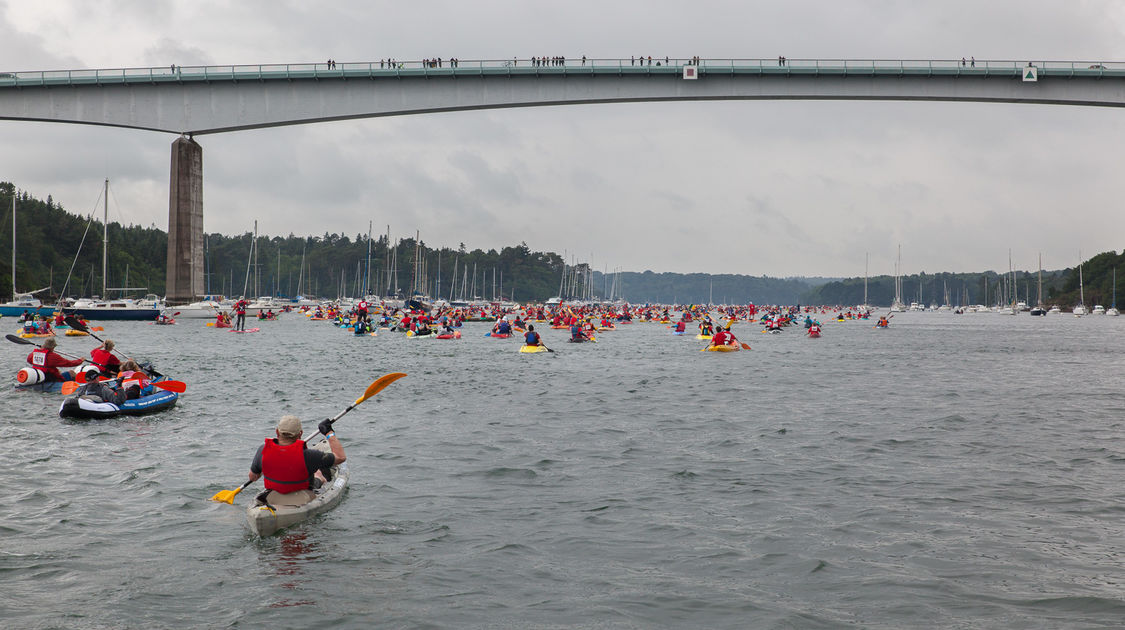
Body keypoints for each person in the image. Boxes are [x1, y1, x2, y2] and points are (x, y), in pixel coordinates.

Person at [247, 415, 346, 504]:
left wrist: (264, 468)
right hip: (302, 497)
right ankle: (320, 478)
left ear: (277, 432)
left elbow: (253, 477)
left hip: (272, 497)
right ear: (300, 434)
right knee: (319, 474)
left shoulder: (263, 450)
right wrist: (329, 432)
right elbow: (341, 457)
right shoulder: (309, 455)